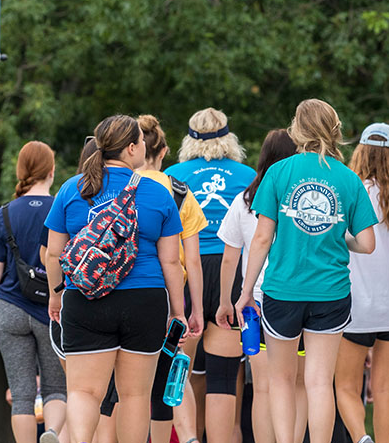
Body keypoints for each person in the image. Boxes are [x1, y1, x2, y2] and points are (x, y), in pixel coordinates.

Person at [234, 99, 378, 443]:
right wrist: (341, 237)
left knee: (281, 380)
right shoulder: (347, 178)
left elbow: (261, 239)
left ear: (297, 129)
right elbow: (368, 243)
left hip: (282, 291)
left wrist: (244, 292)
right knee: (318, 382)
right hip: (331, 292)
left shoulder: (278, 173)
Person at [45, 115, 187, 443]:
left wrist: (56, 295)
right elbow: (170, 261)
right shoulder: (157, 193)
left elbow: (54, 254)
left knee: (83, 391)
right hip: (145, 300)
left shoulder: (72, 188)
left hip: (85, 298)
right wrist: (177, 312)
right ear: (133, 148)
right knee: (135, 396)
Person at [165, 108, 256, 443]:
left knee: (177, 371)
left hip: (188, 271)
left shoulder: (172, 175)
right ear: (229, 137)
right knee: (222, 376)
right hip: (230, 270)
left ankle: (185, 438)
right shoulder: (248, 176)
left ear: (189, 140)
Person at [215, 129, 308, 443]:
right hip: (300, 298)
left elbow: (230, 258)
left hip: (254, 302)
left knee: (265, 385)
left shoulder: (246, 199)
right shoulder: (305, 199)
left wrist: (226, 301)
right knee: (298, 383)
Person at [334, 123, 389, 443]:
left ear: (360, 151)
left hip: (357, 303)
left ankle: (361, 438)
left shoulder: (348, 190)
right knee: (384, 388)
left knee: (345, 385)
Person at [0, 141, 67, 443]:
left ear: (20, 171)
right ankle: (52, 433)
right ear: (52, 172)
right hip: (51, 310)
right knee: (56, 388)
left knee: (23, 395)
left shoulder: (4, 215)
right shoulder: (61, 209)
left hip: (10, 309)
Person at [137, 114, 206, 443]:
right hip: (175, 293)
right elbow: (192, 258)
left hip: (131, 287)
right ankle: (190, 438)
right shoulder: (179, 191)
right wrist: (197, 310)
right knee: (177, 373)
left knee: (131, 383)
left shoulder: (122, 184)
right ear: (163, 151)